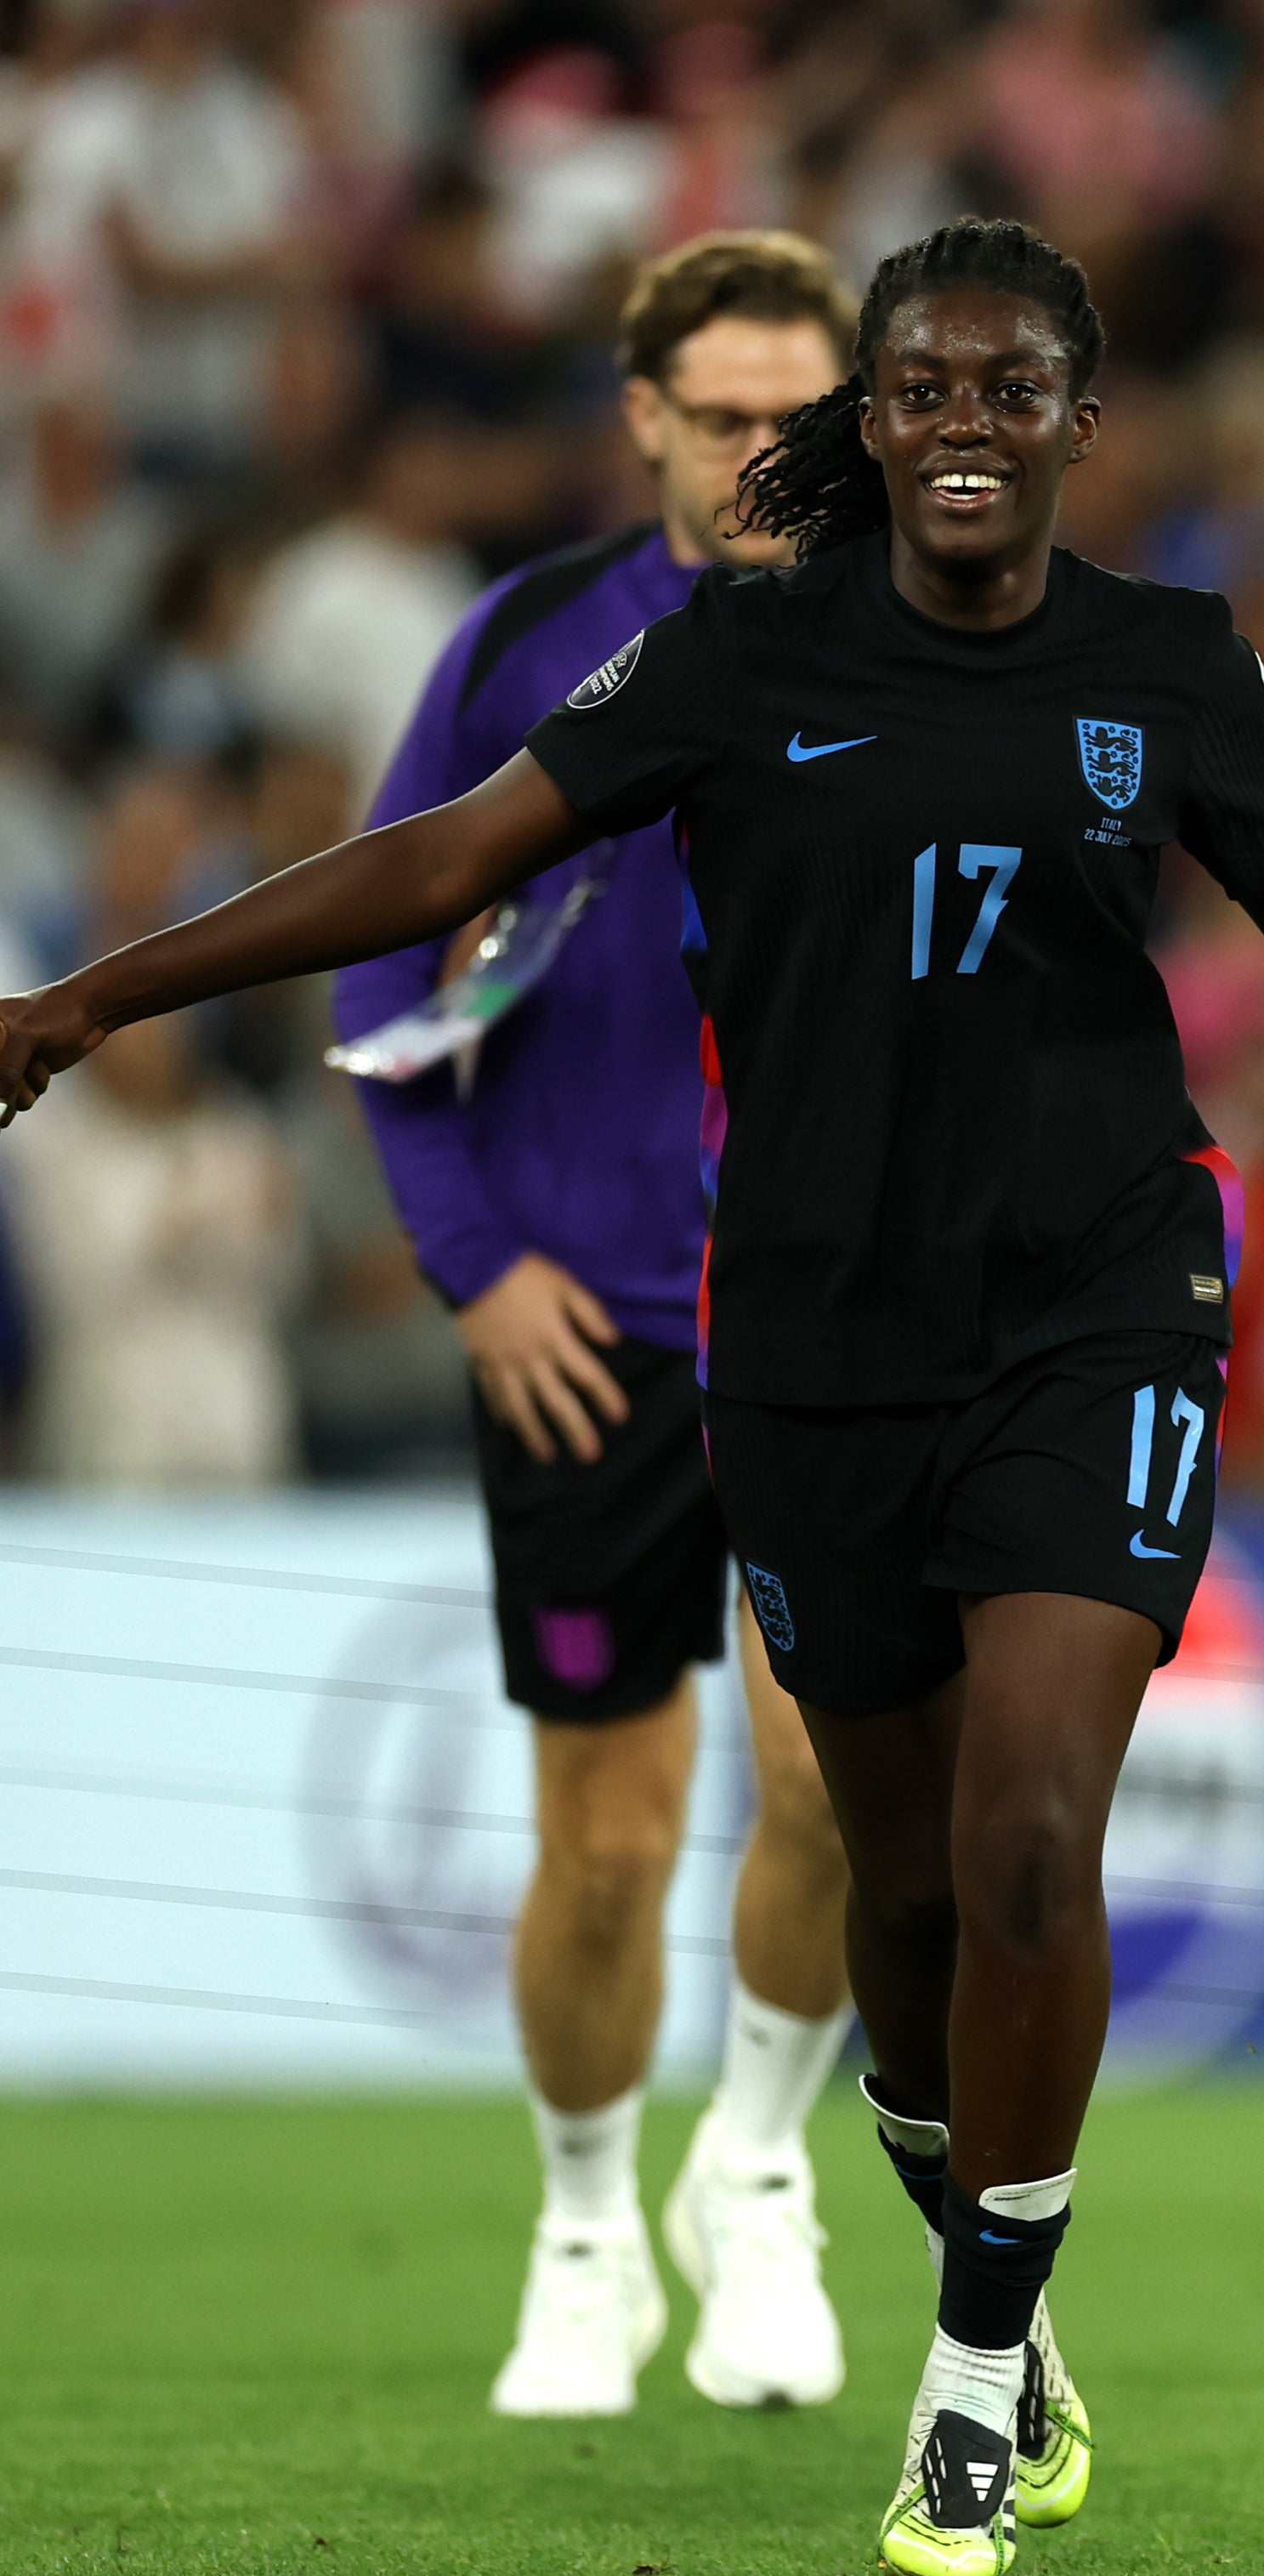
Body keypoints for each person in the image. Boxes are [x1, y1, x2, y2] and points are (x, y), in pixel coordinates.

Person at [0, 217, 1264, 2576]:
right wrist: (93, 999)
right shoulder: (730, 660)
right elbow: (442, 861)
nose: (966, 426)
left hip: (1100, 1305)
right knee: (907, 1908)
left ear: (1074, 423)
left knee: (1030, 1839)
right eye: (921, 388)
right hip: (809, 1348)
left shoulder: (1169, 663)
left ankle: (967, 2381)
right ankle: (961, 2260)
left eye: (1014, 389)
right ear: (870, 422)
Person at [330, 230, 862, 2423]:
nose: (759, 453)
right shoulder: (530, 644)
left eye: (793, 418)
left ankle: (751, 2171)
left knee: (835, 1793)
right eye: (720, 415)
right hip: (585, 1332)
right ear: (640, 415)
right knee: (609, 1848)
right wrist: (472, 1259)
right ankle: (576, 2218)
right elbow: (384, 951)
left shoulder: (924, 632)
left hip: (830, 1321)